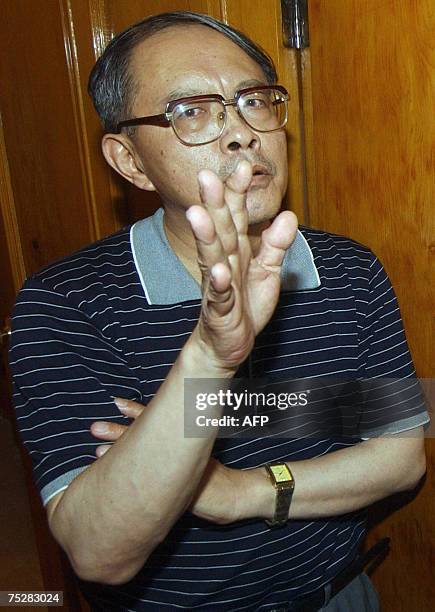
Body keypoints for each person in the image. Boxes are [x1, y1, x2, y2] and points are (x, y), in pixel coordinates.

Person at [9, 11, 429, 612]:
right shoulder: (66, 301)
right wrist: (211, 357)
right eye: (191, 112)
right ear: (130, 161)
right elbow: (101, 551)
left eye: (253, 101)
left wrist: (234, 485)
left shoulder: (351, 267)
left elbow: (401, 458)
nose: (240, 133)